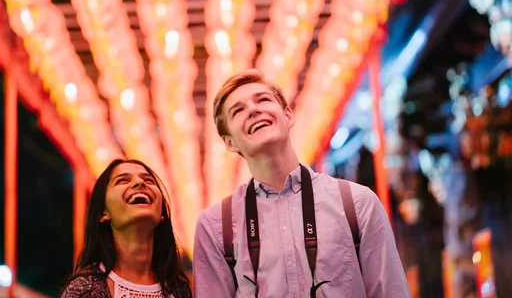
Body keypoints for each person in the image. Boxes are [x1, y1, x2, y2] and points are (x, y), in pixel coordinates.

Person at [192, 69, 410, 297]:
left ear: (287, 115)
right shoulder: (216, 227)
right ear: (229, 142)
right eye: (238, 110)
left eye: (263, 99)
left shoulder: (357, 204)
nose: (254, 110)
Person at [61, 158, 193, 298]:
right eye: (122, 180)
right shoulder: (83, 290)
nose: (139, 182)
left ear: (162, 214)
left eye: (149, 180)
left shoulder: (179, 289)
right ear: (102, 213)